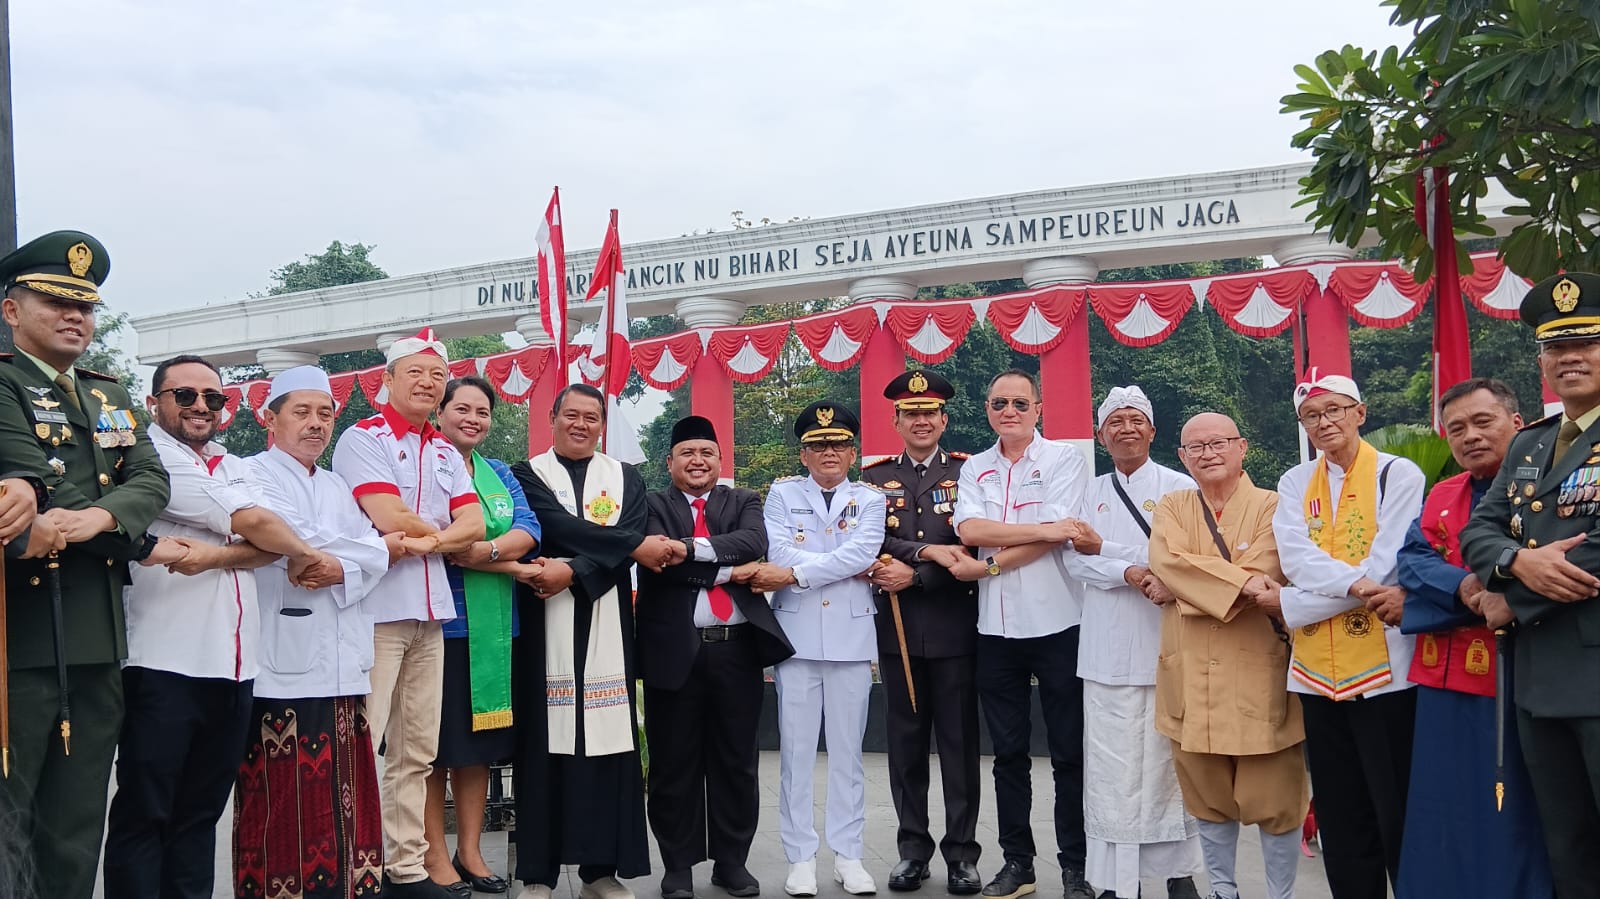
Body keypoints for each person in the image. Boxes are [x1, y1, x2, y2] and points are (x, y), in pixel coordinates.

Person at [102, 354, 339, 899]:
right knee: (146, 811)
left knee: (200, 814)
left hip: (234, 667)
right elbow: (253, 524)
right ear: (154, 403)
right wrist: (301, 553)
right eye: (185, 395)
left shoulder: (232, 463)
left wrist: (217, 555)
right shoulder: (147, 460)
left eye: (213, 397)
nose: (201, 407)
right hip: (162, 660)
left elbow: (269, 538)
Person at [0, 230, 171, 899]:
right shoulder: (5, 383)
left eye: (85, 307)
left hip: (98, 638)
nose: (75, 317)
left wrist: (98, 520)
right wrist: (124, 528)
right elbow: (38, 480)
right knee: (9, 821)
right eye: (55, 302)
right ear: (12, 311)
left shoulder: (108, 394)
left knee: (75, 826)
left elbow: (151, 480)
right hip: (21, 636)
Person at [232, 364, 400, 899]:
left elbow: (371, 549)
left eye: (325, 414)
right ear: (270, 418)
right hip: (282, 668)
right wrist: (359, 555)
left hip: (346, 664)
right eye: (301, 412)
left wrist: (343, 564)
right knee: (281, 807)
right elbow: (294, 535)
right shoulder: (250, 474)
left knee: (349, 801)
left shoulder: (337, 485)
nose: (316, 423)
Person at [332, 327, 487, 899]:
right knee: (365, 743)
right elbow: (387, 513)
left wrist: (431, 542)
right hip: (376, 612)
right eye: (415, 373)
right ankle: (355, 867)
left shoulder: (444, 450)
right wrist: (444, 535)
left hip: (431, 613)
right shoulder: (362, 438)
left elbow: (476, 524)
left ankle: (406, 868)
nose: (427, 383)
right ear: (388, 379)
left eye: (437, 375)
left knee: (417, 749)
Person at [1460, 271, 1600, 899]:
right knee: (1567, 846)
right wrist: (1519, 564)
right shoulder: (1529, 444)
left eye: (1586, 344)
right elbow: (1479, 530)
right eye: (1556, 348)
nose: (1570, 358)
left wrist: (1511, 596)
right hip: (1539, 681)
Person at [1396, 378, 1552, 898]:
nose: (1470, 436)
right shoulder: (1443, 493)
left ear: (1518, 423)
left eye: (1483, 422)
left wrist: (1475, 598)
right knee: (1441, 804)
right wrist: (1466, 588)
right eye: (1457, 428)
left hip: (1515, 675)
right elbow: (1411, 560)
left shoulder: (1546, 490)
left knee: (1510, 806)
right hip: (1442, 680)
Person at [1273, 369, 1425, 899]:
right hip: (1318, 676)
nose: (1324, 423)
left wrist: (1296, 604)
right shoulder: (1295, 483)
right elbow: (1295, 559)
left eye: (1334, 410)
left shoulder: (1396, 475)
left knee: (1397, 806)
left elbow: (1389, 565)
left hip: (1386, 672)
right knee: (1340, 814)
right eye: (1311, 416)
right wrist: (1356, 586)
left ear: (1360, 413)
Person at [1147, 412, 1307, 899]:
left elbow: (1266, 570)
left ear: (1242, 447)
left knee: (1277, 800)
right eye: (1196, 447)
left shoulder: (1274, 505)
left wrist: (1181, 591)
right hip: (1189, 672)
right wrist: (1208, 584)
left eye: (1218, 443)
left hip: (1258, 669)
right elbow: (1166, 561)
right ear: (1182, 457)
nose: (1208, 453)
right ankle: (1222, 890)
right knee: (1207, 796)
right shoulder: (1173, 505)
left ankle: (1280, 894)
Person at [511, 383, 661, 899]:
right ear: (551, 418)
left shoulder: (626, 477)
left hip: (607, 620)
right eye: (570, 415)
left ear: (602, 424)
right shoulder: (527, 474)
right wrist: (631, 545)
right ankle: (538, 874)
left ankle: (600, 872)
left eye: (591, 417)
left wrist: (573, 571)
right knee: (543, 744)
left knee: (607, 744)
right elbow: (553, 528)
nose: (580, 424)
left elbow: (620, 541)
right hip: (542, 621)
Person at [637, 415, 795, 899]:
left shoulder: (743, 500)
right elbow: (658, 566)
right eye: (687, 453)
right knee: (672, 763)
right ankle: (677, 866)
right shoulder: (650, 504)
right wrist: (729, 572)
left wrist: (686, 548)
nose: (697, 461)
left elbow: (753, 543)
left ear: (720, 460)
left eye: (706, 453)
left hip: (736, 650)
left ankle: (732, 863)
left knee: (736, 761)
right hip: (673, 651)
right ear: (670, 461)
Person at [951, 368, 1094, 899]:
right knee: (1008, 755)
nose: (1008, 411)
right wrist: (1046, 529)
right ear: (987, 409)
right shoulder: (976, 468)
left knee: (1069, 753)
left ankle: (1077, 865)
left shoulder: (1064, 460)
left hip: (1059, 623)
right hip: (996, 630)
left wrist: (989, 564)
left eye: (1019, 403)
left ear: (1038, 408)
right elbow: (971, 529)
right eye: (998, 403)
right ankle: (1018, 864)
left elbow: (1057, 538)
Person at [1063, 387, 1201, 899]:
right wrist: (1129, 570)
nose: (1126, 429)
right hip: (1104, 649)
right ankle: (1115, 880)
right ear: (1101, 435)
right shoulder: (1088, 491)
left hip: (1165, 643)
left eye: (1135, 420)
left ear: (1152, 430)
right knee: (1109, 768)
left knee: (1168, 764)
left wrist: (1108, 549)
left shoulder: (1180, 487)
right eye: (1115, 422)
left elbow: (1184, 559)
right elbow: (1073, 560)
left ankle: (1179, 873)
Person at [749, 400, 886, 898]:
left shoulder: (870, 499)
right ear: (803, 454)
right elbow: (778, 550)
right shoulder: (782, 494)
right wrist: (828, 564)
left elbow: (863, 553)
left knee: (849, 755)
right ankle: (800, 856)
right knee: (796, 755)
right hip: (798, 638)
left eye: (839, 444)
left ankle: (849, 855)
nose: (829, 452)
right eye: (819, 445)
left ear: (852, 453)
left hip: (851, 640)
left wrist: (798, 574)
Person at [859, 369, 984, 896]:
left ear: (944, 420)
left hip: (955, 627)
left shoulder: (970, 472)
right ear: (897, 422)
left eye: (929, 412)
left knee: (959, 746)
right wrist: (925, 552)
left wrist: (919, 574)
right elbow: (869, 539)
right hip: (899, 629)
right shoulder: (873, 478)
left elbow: (974, 545)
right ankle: (912, 850)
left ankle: (962, 854)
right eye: (911, 414)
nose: (921, 421)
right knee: (906, 746)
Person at [423, 376, 542, 896]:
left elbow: (529, 529)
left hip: (493, 631)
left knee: (477, 746)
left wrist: (487, 552)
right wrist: (507, 562)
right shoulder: (422, 466)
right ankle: (432, 854)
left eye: (483, 412)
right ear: (440, 413)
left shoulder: (498, 473)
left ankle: (469, 852)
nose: (473, 419)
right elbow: (436, 539)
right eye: (462, 409)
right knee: (432, 747)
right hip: (438, 624)